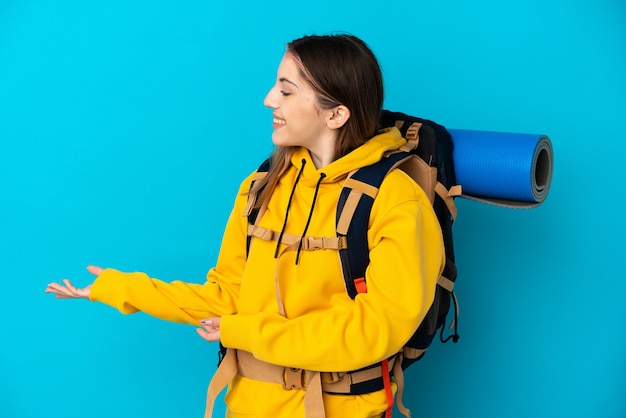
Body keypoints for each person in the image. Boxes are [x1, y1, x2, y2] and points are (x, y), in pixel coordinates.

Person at [46, 34, 445, 418]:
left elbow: (374, 330)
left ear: (336, 113)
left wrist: (248, 333)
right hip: (246, 406)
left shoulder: (396, 198)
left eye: (286, 91)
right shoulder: (262, 185)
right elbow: (227, 298)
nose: (269, 99)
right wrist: (119, 288)